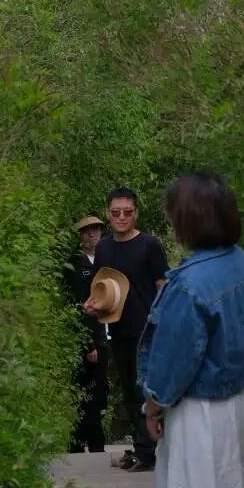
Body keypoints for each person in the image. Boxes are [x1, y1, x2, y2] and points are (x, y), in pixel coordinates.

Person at [138, 172, 244, 488]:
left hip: (200, 415)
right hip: (243, 403)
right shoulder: (243, 264)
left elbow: (171, 366)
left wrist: (152, 407)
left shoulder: (189, 285)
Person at [85, 187, 168, 471]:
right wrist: (93, 305)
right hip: (117, 327)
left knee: (148, 391)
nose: (121, 217)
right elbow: (103, 285)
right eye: (115, 212)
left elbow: (162, 286)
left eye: (127, 212)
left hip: (148, 331)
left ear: (136, 213)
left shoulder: (150, 245)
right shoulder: (104, 247)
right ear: (108, 214)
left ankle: (156, 450)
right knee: (128, 391)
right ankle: (144, 451)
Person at [64, 215, 109, 453]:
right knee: (85, 391)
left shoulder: (104, 260)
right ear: (80, 235)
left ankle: (94, 441)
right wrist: (88, 343)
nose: (92, 234)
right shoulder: (75, 263)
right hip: (87, 338)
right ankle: (81, 443)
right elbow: (77, 306)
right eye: (87, 231)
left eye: (96, 230)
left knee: (99, 391)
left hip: (106, 335)